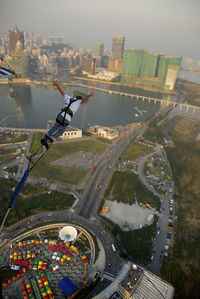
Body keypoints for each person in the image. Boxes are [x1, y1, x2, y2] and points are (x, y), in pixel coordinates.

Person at [41, 81, 94, 149]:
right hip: (66, 119)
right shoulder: (78, 102)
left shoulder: (69, 98)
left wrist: (57, 85)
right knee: (60, 131)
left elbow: (62, 93)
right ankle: (49, 140)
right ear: (79, 99)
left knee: (54, 127)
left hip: (60, 116)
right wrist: (90, 95)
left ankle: (46, 136)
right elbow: (84, 100)